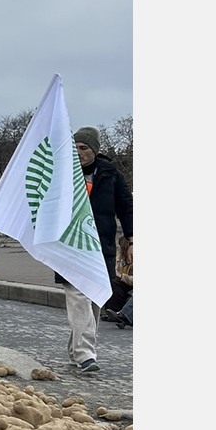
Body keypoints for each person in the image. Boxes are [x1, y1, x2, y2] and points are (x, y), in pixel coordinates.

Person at [58, 126, 134, 373]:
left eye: (83, 148)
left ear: (94, 151)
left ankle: (75, 350)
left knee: (94, 299)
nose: (78, 152)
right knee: (78, 296)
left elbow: (125, 206)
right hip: (70, 245)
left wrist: (132, 239)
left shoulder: (111, 175)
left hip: (101, 245)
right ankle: (85, 354)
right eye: (75, 148)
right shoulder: (63, 175)